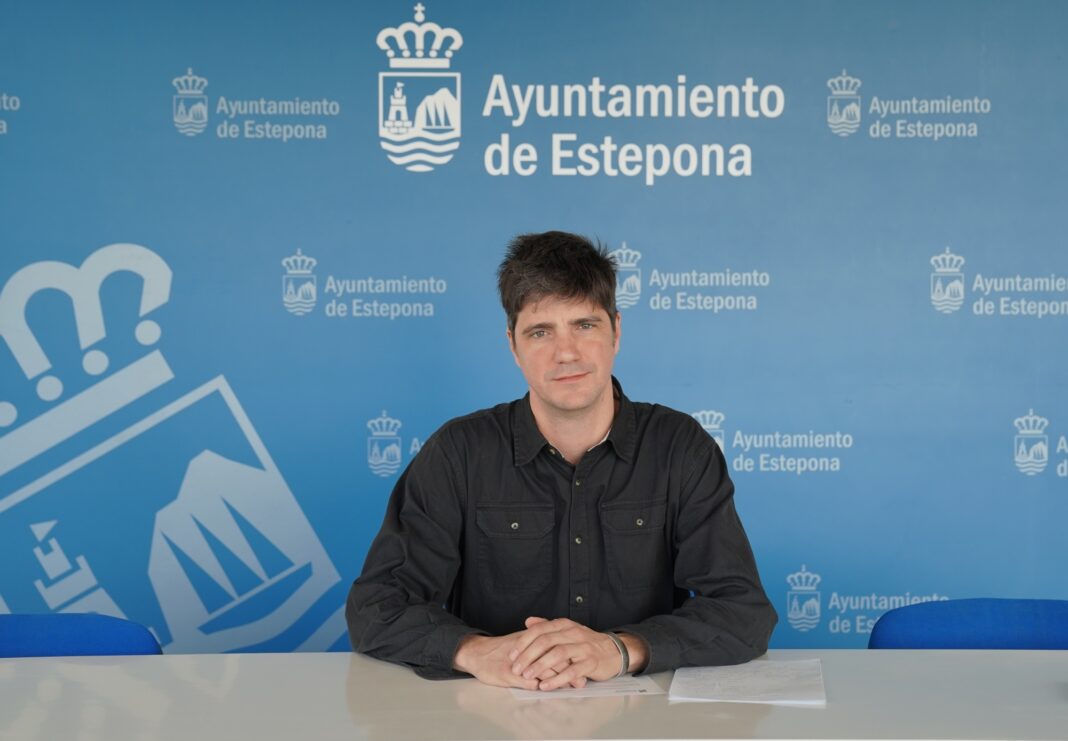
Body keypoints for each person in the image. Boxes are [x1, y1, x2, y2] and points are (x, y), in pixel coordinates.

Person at [346, 231, 776, 691]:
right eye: (541, 332)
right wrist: (476, 652)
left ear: (616, 331)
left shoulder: (679, 448)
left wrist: (618, 650)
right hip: (495, 708)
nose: (566, 353)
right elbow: (376, 606)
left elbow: (741, 611)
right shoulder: (458, 453)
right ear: (513, 345)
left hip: (642, 712)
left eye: (584, 326)